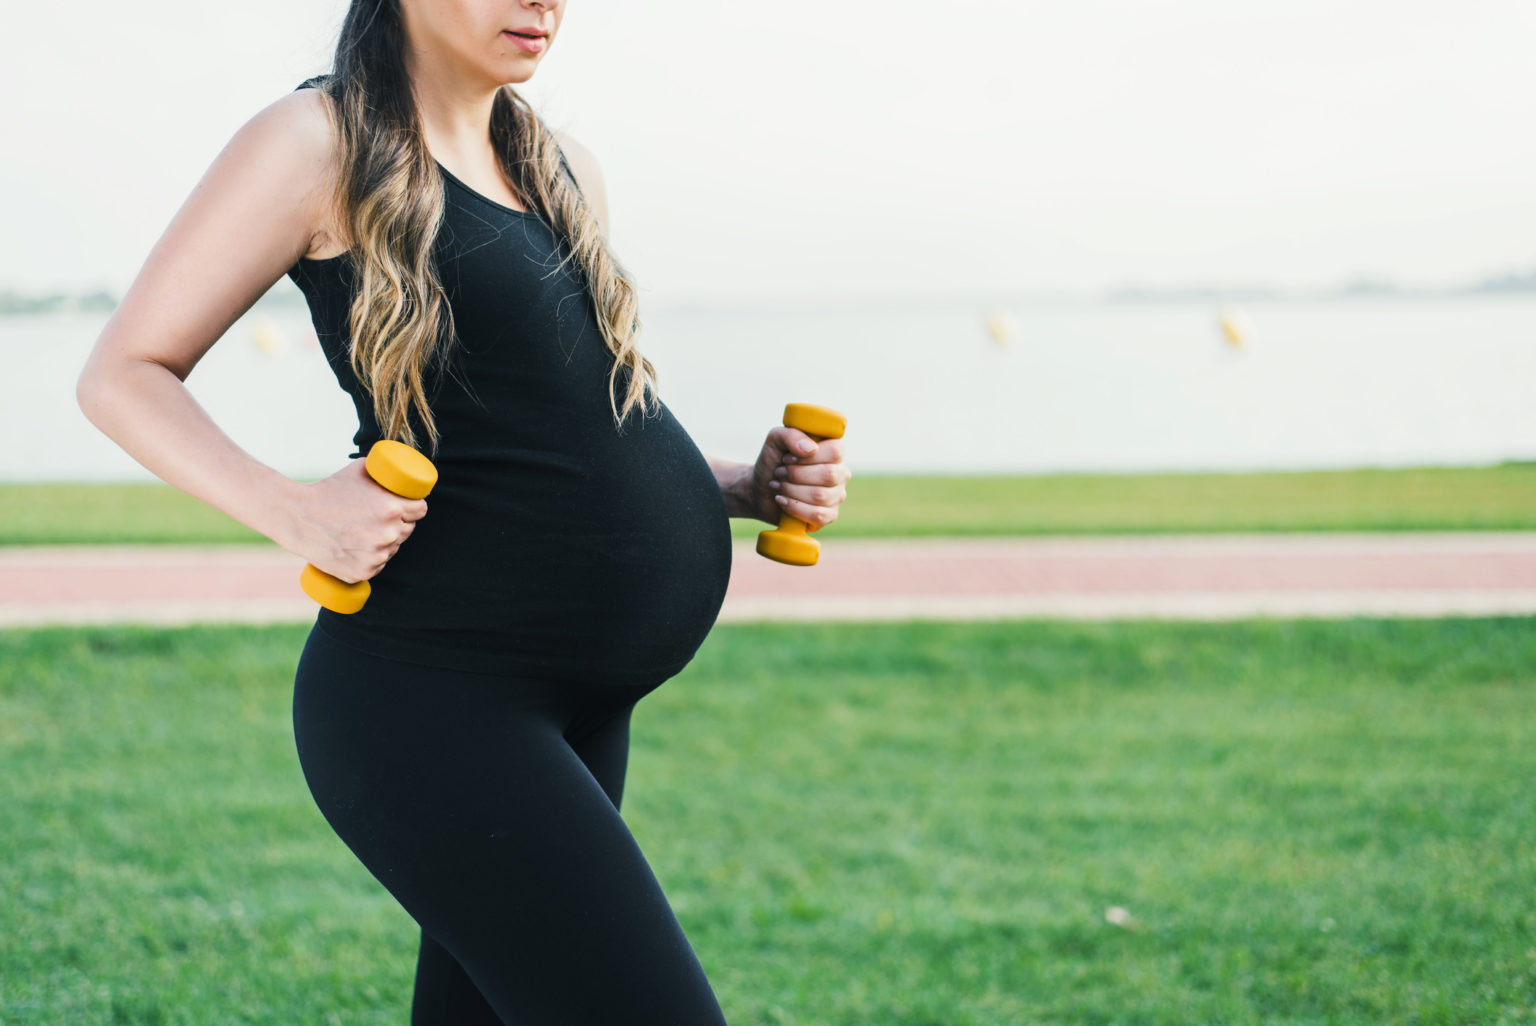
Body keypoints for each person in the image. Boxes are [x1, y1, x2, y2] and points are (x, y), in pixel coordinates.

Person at [74, 1, 852, 1021]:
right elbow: (123, 374)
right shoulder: (317, 144)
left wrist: (738, 487)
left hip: (576, 703)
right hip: (433, 701)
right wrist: (295, 512)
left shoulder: (561, 166)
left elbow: (551, 432)